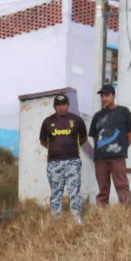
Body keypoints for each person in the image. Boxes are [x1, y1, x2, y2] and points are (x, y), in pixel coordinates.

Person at [38, 92, 88, 221]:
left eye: (64, 104)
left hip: (73, 161)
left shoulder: (77, 120)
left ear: (68, 105)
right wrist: (55, 149)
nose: (61, 107)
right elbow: (43, 141)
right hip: (54, 163)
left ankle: (77, 218)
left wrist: (69, 150)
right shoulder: (48, 122)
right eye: (58, 105)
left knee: (74, 191)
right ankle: (56, 218)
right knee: (56, 192)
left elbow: (83, 138)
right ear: (54, 107)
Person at [89, 83, 131, 206]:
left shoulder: (123, 111)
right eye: (102, 96)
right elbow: (95, 137)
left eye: (107, 95)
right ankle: (102, 216)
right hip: (100, 160)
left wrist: (121, 148)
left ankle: (128, 214)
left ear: (113, 96)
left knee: (122, 187)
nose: (104, 98)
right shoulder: (97, 116)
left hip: (117, 158)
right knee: (103, 190)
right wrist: (100, 150)